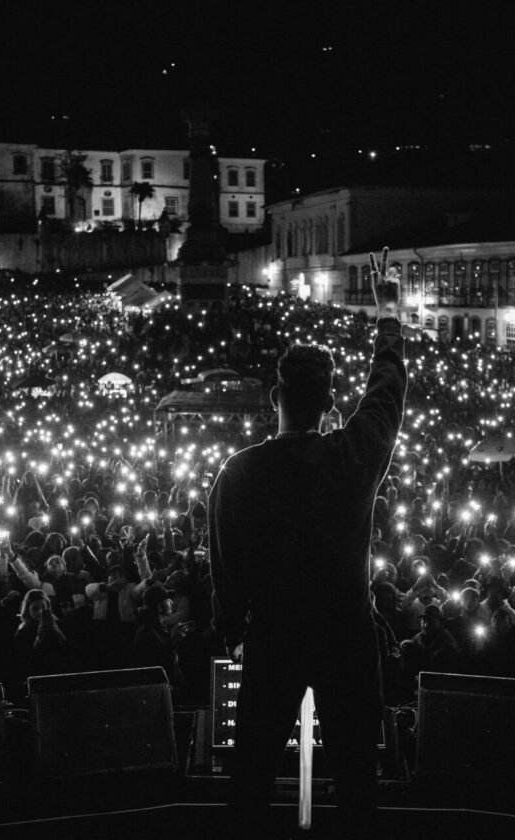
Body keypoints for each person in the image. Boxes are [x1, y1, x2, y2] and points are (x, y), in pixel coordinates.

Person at [208, 247, 411, 839]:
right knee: (355, 779)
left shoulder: (239, 472)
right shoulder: (354, 454)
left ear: (275, 398)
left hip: (272, 636)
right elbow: (387, 390)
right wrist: (388, 316)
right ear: (329, 405)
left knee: (250, 779)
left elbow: (224, 571)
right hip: (348, 635)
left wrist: (231, 631)